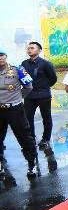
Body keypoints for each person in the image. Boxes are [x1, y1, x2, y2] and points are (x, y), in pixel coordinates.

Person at [0, 49, 39, 178]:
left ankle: (32, 164)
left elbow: (29, 87)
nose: (0, 58)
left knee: (25, 137)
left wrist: (17, 98)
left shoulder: (17, 69)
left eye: (2, 55)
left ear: (6, 56)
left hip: (15, 109)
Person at [22, 41, 57, 149]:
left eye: (32, 48)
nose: (29, 50)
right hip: (29, 95)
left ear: (39, 50)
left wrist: (44, 87)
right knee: (27, 117)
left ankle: (46, 139)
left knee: (46, 117)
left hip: (43, 95)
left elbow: (53, 79)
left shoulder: (46, 64)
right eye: (28, 48)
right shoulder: (24, 63)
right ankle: (31, 138)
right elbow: (22, 78)